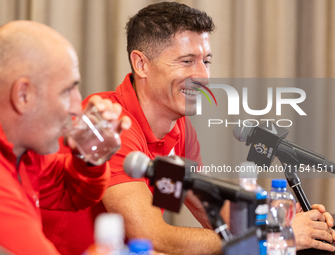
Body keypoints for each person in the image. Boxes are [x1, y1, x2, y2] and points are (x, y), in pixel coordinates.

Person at [42, 2, 335, 254]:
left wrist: (279, 219)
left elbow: (209, 210)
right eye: (187, 61)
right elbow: (153, 236)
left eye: (206, 61)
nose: (203, 76)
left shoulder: (178, 126)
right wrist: (272, 238)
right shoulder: (110, 122)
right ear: (141, 64)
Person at [0, 20, 131, 255]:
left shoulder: (23, 155)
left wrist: (89, 153)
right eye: (67, 91)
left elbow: (70, 190)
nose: (77, 108)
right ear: (23, 95)